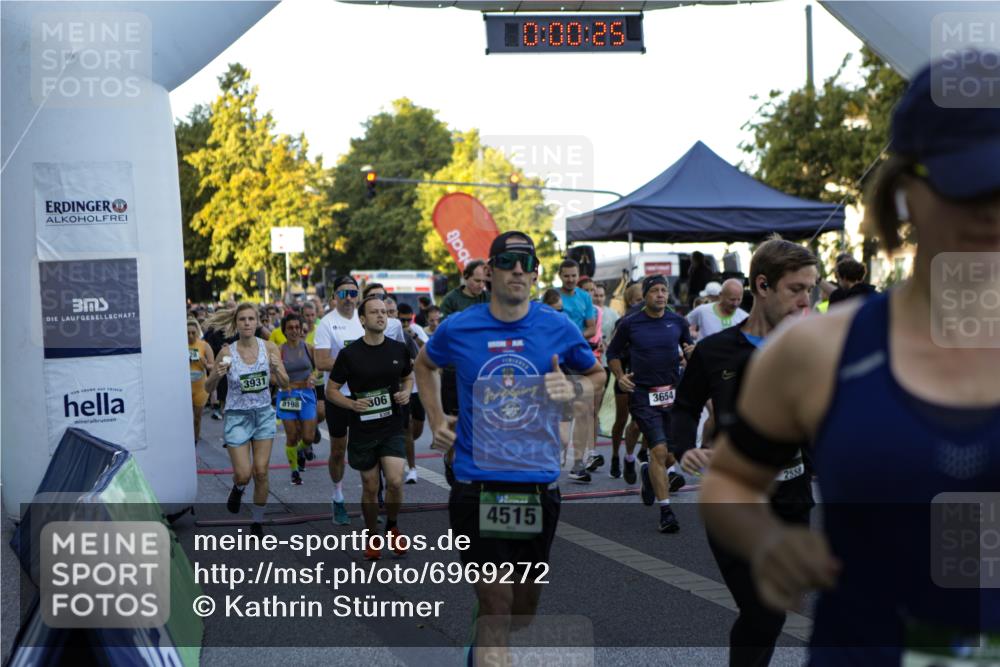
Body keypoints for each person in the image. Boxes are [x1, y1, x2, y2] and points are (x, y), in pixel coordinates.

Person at [700, 52, 1000, 666]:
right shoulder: (818, 350)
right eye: (970, 185)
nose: (991, 210)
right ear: (906, 191)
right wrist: (766, 543)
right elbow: (730, 479)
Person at [415, 231, 604, 666]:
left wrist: (573, 385)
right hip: (476, 483)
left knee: (522, 611)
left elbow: (595, 376)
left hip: (537, 485)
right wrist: (436, 418)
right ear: (489, 271)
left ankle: (484, 632)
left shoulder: (556, 327)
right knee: (498, 607)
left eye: (526, 262)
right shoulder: (459, 327)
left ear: (536, 273)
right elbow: (424, 364)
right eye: (507, 261)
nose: (517, 269)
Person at [672, 237, 819, 667]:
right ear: (764, 285)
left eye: (810, 289)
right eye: (796, 289)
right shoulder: (717, 351)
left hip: (791, 502)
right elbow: (684, 407)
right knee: (760, 608)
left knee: (773, 611)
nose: (805, 299)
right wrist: (684, 449)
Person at [328, 295, 414, 560]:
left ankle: (392, 525)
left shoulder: (398, 349)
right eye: (374, 312)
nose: (381, 316)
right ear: (362, 320)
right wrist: (351, 404)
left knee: (396, 480)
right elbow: (331, 390)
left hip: (391, 425)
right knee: (370, 485)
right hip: (363, 429)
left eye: (384, 312)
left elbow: (407, 377)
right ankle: (371, 534)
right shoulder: (349, 354)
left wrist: (406, 392)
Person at [606, 275, 693, 533]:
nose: (660, 295)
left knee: (671, 456)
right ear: (645, 295)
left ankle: (648, 477)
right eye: (654, 290)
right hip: (643, 394)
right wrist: (621, 377)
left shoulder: (678, 321)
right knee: (658, 450)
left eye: (663, 290)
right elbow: (612, 354)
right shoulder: (630, 324)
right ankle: (666, 511)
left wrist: (691, 354)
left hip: (672, 394)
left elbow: (689, 348)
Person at [204, 303, 289, 538]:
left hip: (263, 415)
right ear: (236, 323)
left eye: (251, 319)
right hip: (237, 417)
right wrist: (216, 376)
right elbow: (207, 386)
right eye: (243, 319)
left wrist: (277, 371)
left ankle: (257, 521)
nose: (248, 323)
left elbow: (284, 383)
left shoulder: (269, 347)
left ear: (257, 322)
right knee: (244, 473)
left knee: (261, 471)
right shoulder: (226, 352)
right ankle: (239, 487)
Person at [313, 276, 365, 526]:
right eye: (343, 293)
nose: (348, 298)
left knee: (370, 447)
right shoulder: (327, 323)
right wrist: (355, 361)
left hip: (366, 395)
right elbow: (321, 362)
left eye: (353, 293)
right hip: (337, 396)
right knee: (337, 450)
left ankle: (372, 497)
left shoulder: (364, 318)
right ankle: (338, 496)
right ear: (334, 296)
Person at [275, 313, 318, 486]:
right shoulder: (279, 350)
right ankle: (294, 471)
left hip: (306, 394)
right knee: (291, 436)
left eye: (296, 327)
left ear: (301, 329)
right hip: (287, 395)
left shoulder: (309, 348)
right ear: (284, 330)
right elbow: (272, 373)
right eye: (290, 328)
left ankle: (300, 451)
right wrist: (281, 381)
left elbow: (318, 368)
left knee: (308, 437)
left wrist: (314, 377)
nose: (294, 331)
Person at [608, 281, 644, 482]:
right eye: (639, 300)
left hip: (645, 379)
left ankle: (639, 456)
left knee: (640, 423)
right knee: (621, 420)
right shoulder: (623, 322)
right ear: (631, 301)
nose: (642, 303)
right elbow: (614, 353)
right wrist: (621, 376)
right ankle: (615, 455)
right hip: (625, 376)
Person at [397, 302, 428, 484]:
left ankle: (404, 446)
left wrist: (414, 335)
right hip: (402, 388)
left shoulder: (414, 330)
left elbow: (428, 349)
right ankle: (412, 469)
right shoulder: (391, 331)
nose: (406, 323)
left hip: (418, 388)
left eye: (409, 320)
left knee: (416, 430)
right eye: (403, 320)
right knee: (407, 429)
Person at [188, 318, 214, 446]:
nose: (191, 335)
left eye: (193, 332)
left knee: (197, 418)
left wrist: (205, 364)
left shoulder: (204, 345)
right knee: (186, 419)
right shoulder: (178, 345)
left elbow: (212, 366)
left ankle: (195, 441)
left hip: (200, 388)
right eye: (188, 333)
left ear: (197, 332)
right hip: (185, 388)